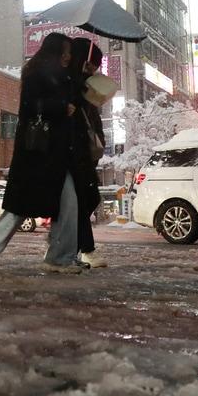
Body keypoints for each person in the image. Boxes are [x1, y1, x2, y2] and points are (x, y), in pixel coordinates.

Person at [0, 32, 82, 273]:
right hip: (37, 152)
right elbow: (30, 106)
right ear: (54, 52)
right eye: (65, 52)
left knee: (66, 203)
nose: (68, 56)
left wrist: (82, 73)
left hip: (53, 154)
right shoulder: (36, 73)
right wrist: (60, 107)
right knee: (23, 204)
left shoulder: (61, 76)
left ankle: (59, 256)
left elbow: (74, 90)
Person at [71, 40, 112, 268]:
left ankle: (65, 245)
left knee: (88, 198)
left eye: (95, 67)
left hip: (85, 152)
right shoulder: (71, 83)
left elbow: (94, 121)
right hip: (73, 150)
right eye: (91, 65)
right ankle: (84, 248)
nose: (93, 71)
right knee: (82, 198)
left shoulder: (86, 85)